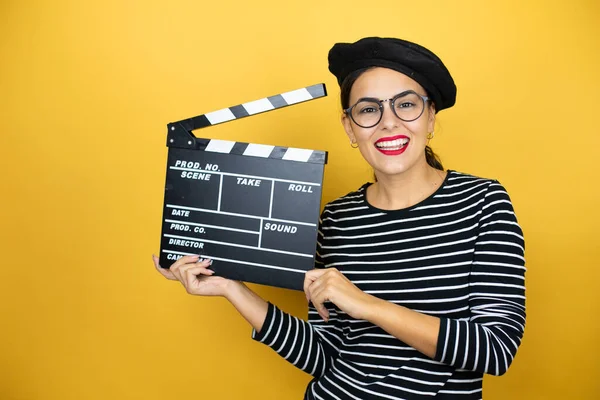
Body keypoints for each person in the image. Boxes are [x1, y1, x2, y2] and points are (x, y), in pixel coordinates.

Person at [152, 37, 526, 399]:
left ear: (431, 117)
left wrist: (367, 304)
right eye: (368, 109)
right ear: (350, 127)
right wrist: (231, 289)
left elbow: (494, 349)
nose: (389, 123)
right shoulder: (337, 219)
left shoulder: (483, 202)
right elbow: (325, 354)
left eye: (406, 105)